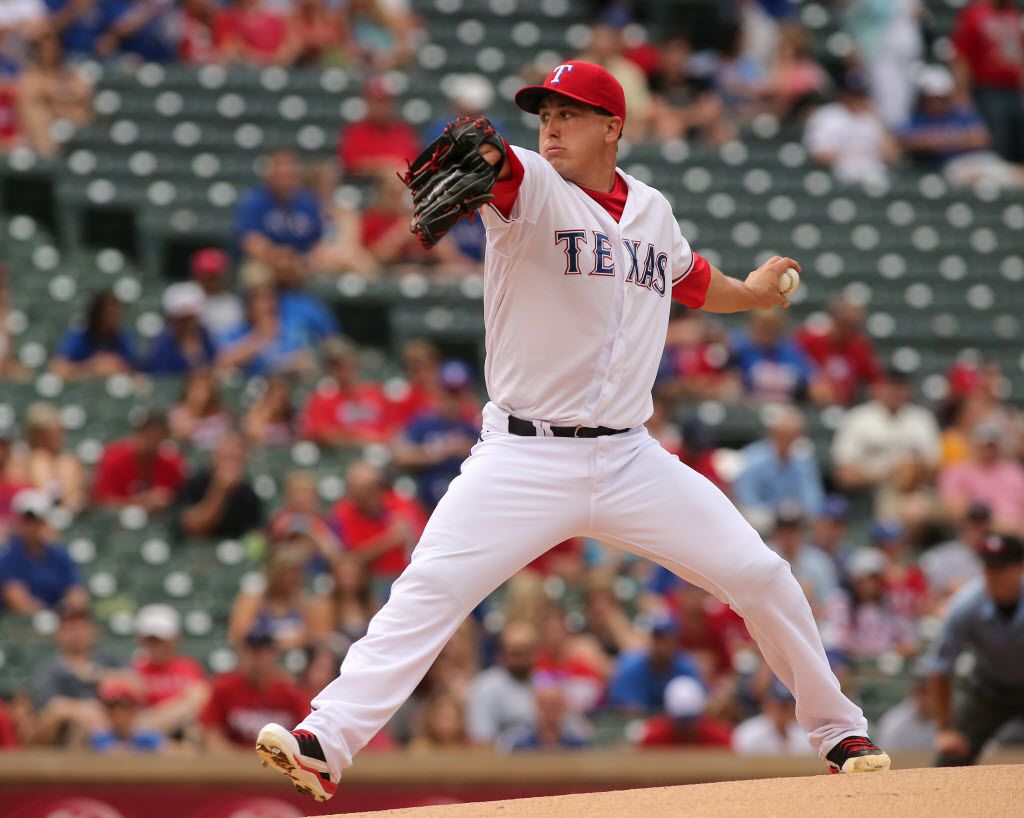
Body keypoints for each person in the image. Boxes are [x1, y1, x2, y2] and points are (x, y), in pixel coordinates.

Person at [257, 60, 888, 802]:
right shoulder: (529, 183)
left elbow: (686, 277)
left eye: (570, 113)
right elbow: (497, 167)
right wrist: (490, 159)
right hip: (523, 456)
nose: (550, 125)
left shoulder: (652, 209)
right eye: (544, 113)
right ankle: (325, 740)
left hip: (630, 458)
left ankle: (837, 728)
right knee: (432, 586)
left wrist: (748, 293)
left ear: (612, 127)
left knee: (760, 575)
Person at [929, 534, 1024, 766]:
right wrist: (945, 729)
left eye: (1001, 567)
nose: (993, 575)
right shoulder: (966, 604)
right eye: (988, 567)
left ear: (1020, 567)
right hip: (987, 689)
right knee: (949, 759)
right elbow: (941, 667)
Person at [900, 66, 1024, 189]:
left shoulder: (959, 113)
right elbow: (908, 141)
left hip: (980, 158)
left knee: (1014, 173)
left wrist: (937, 140)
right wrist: (959, 139)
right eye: (932, 98)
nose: (937, 103)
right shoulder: (917, 118)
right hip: (951, 166)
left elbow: (980, 138)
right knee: (980, 180)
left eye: (941, 98)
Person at [30, 601, 124, 747]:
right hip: (65, 733)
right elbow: (50, 708)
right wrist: (84, 710)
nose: (75, 634)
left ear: (92, 631)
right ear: (59, 633)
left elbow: (137, 685)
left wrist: (96, 675)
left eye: (80, 628)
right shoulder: (49, 669)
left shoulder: (109, 660)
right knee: (81, 723)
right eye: (69, 628)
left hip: (114, 724)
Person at [832, 368, 941, 492]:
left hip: (915, 492)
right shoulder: (858, 418)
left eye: (899, 386)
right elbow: (843, 475)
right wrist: (886, 474)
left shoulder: (922, 418)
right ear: (877, 387)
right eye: (890, 385)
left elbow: (935, 467)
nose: (894, 392)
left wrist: (911, 469)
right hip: (871, 494)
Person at [202, 626, 310, 748]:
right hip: (234, 764)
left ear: (274, 655)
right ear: (241, 654)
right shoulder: (224, 689)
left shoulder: (291, 692)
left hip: (281, 764)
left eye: (264, 652)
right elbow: (212, 736)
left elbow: (308, 738)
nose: (258, 659)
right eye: (252, 652)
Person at [391, 361, 480, 510]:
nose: (452, 398)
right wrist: (438, 450)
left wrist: (470, 450)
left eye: (457, 393)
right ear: (439, 390)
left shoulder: (473, 427)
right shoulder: (424, 423)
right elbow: (399, 456)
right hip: (426, 501)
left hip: (463, 504)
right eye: (448, 391)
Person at [329, 460, 426, 590]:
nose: (365, 495)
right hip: (369, 581)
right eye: (358, 489)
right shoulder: (343, 513)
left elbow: (426, 540)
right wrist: (388, 540)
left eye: (370, 488)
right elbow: (347, 560)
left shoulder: (403, 505)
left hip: (410, 575)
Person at [951, 0, 1024, 163]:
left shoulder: (1013, 12)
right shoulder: (974, 14)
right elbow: (961, 57)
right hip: (988, 88)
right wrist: (962, 93)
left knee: (1018, 138)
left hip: (1013, 90)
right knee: (998, 139)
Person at [235, 150, 323, 281]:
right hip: (265, 262)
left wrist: (300, 261)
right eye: (281, 176)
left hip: (300, 262)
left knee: (323, 271)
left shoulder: (308, 202)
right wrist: (278, 258)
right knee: (255, 276)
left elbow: (318, 242)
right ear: (270, 176)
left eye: (290, 176)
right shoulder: (254, 201)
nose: (286, 182)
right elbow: (250, 243)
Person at [734, 406, 825, 531]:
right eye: (783, 434)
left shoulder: (803, 460)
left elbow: (813, 501)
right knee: (756, 518)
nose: (788, 440)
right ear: (772, 434)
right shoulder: (753, 457)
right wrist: (778, 512)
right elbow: (747, 500)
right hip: (765, 519)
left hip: (795, 520)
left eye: (794, 436)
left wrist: (794, 511)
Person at [820, 547, 918, 662]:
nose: (870, 585)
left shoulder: (892, 603)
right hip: (850, 663)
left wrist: (894, 650)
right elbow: (832, 638)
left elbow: (910, 642)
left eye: (874, 578)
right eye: (864, 579)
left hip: (885, 663)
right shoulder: (841, 602)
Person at [804, 71, 899, 185]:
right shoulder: (826, 115)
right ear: (843, 93)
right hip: (837, 176)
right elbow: (818, 155)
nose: (857, 98)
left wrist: (878, 120)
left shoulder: (872, 117)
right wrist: (853, 157)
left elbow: (892, 156)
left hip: (874, 175)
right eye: (853, 94)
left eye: (861, 94)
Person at [0, 489, 87, 613]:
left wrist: (64, 610)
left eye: (38, 521)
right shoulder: (7, 558)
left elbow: (76, 594)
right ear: (19, 522)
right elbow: (17, 598)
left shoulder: (60, 555)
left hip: (58, 621)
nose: (33, 527)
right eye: (28, 521)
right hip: (21, 626)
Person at [228, 544, 328, 651]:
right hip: (259, 658)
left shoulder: (307, 601)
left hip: (298, 659)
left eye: (296, 573)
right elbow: (238, 636)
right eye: (287, 573)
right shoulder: (253, 599)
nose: (291, 578)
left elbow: (319, 638)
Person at [131, 604, 209, 738]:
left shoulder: (189, 667)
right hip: (145, 739)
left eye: (160, 640)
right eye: (150, 640)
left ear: (174, 639)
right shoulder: (136, 668)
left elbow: (200, 701)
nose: (155, 646)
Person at [299, 337, 393, 447]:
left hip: (380, 454)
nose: (340, 370)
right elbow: (321, 434)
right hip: (342, 457)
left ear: (354, 362)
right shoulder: (322, 398)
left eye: (343, 363)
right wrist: (364, 439)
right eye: (334, 365)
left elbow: (392, 429)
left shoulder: (376, 393)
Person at [15, 28, 92, 157]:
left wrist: (52, 96)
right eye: (45, 49)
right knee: (36, 112)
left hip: (74, 124)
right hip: (44, 128)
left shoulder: (71, 72)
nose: (50, 53)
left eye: (53, 48)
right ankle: (48, 155)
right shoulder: (30, 74)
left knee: (79, 112)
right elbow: (30, 95)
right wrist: (64, 95)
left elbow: (83, 93)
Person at [173, 432, 265, 540]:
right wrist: (221, 490)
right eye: (228, 458)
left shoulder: (249, 495)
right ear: (215, 458)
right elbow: (194, 527)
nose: (232, 466)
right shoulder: (196, 483)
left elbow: (254, 534)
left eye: (237, 459)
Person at [939, 421, 1024, 535]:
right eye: (983, 445)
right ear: (973, 444)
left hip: (1017, 532)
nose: (987, 450)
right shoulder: (958, 470)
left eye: (991, 446)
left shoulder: (1014, 470)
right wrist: (994, 520)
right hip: (978, 529)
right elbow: (954, 506)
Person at [92, 410, 186, 511]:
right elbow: (102, 503)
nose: (151, 442)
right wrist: (141, 502)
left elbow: (175, 500)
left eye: (157, 437)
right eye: (146, 435)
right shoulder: (113, 458)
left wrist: (165, 499)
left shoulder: (170, 463)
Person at [796, 296, 881, 407]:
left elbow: (876, 382)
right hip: (810, 402)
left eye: (853, 327)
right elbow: (794, 367)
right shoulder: (810, 340)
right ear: (833, 318)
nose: (848, 331)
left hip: (849, 405)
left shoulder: (860, 347)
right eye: (844, 324)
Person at [608, 614, 702, 713]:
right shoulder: (630, 668)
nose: (661, 645)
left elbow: (701, 704)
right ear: (650, 639)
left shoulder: (685, 667)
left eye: (666, 639)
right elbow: (628, 711)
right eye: (657, 638)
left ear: (675, 641)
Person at [465, 621, 538, 746]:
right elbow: (481, 740)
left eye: (526, 652)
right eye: (515, 653)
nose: (521, 660)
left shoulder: (545, 683)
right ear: (503, 653)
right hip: (501, 763)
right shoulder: (486, 686)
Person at [729, 310, 820, 403]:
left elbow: (814, 382)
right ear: (751, 325)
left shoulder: (793, 352)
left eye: (772, 325)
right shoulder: (739, 349)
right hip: (749, 409)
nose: (767, 329)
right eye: (763, 324)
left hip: (788, 409)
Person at [12, 401, 87, 513]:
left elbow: (75, 501)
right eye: (45, 435)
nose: (56, 439)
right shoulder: (21, 461)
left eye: (57, 433)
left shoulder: (68, 463)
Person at [336, 78, 420, 175]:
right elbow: (352, 164)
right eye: (377, 102)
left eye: (386, 102)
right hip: (369, 185)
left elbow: (413, 163)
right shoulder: (355, 132)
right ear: (368, 103)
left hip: (401, 181)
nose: (382, 107)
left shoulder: (403, 131)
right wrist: (384, 166)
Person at [50, 289, 137, 381]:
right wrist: (93, 367)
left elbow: (135, 369)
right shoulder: (80, 334)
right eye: (109, 313)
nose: (113, 317)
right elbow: (58, 368)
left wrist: (118, 366)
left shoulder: (122, 336)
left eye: (116, 313)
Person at [769, 502, 838, 611]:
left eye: (793, 529)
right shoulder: (766, 559)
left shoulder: (819, 561)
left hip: (816, 622)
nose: (788, 535)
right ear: (776, 532)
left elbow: (831, 603)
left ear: (802, 531)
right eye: (784, 529)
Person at [632, 674, 733, 748]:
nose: (686, 726)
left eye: (690, 720)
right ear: (669, 717)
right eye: (681, 720)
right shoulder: (652, 737)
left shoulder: (718, 737)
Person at [142, 282, 217, 376]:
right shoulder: (161, 349)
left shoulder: (205, 337)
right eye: (182, 320)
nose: (187, 324)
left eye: (190, 318)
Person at [920, 503, 987, 606]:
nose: (978, 531)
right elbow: (935, 593)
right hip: (948, 609)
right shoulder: (941, 554)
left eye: (982, 526)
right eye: (974, 525)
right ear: (963, 526)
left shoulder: (992, 555)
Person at [502, 677, 591, 751]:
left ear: (564, 707)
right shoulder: (521, 745)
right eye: (546, 705)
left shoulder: (577, 744)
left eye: (556, 705)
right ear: (537, 706)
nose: (551, 710)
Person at [732, 677, 814, 756]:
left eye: (788, 706)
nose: (783, 712)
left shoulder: (803, 735)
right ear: (767, 704)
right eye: (781, 706)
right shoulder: (749, 733)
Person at [89, 677, 166, 753]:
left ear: (134, 709)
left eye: (125, 706)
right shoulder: (99, 738)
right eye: (111, 707)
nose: (119, 713)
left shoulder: (149, 738)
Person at [169, 369, 234, 451]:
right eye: (197, 388)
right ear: (188, 390)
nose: (201, 395)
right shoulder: (176, 414)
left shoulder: (221, 416)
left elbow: (224, 440)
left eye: (206, 390)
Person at [876, 666, 937, 753]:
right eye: (921, 691)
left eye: (930, 691)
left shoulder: (953, 718)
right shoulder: (894, 723)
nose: (925, 698)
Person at [212, 0, 292, 66]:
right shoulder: (227, 18)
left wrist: (258, 58)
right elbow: (226, 52)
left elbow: (285, 53)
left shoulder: (275, 21)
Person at [191, 248, 243, 338]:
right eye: (205, 273)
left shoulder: (232, 305)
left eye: (214, 275)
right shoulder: (183, 295)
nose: (209, 279)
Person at [242, 374, 296, 447]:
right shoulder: (255, 417)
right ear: (268, 397)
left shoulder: (291, 418)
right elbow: (254, 442)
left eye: (282, 399)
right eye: (276, 398)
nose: (279, 403)